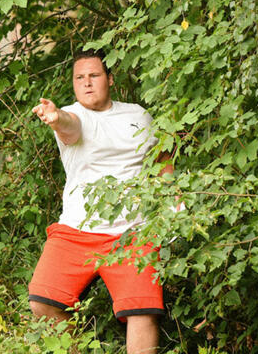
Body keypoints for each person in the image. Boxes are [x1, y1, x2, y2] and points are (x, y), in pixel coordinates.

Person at [29, 50, 173, 354]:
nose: (87, 83)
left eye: (94, 76)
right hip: (77, 230)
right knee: (41, 302)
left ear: (109, 79)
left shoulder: (137, 114)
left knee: (142, 311)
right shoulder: (71, 116)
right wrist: (56, 118)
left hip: (134, 233)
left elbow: (162, 156)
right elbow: (70, 126)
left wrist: (172, 205)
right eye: (79, 78)